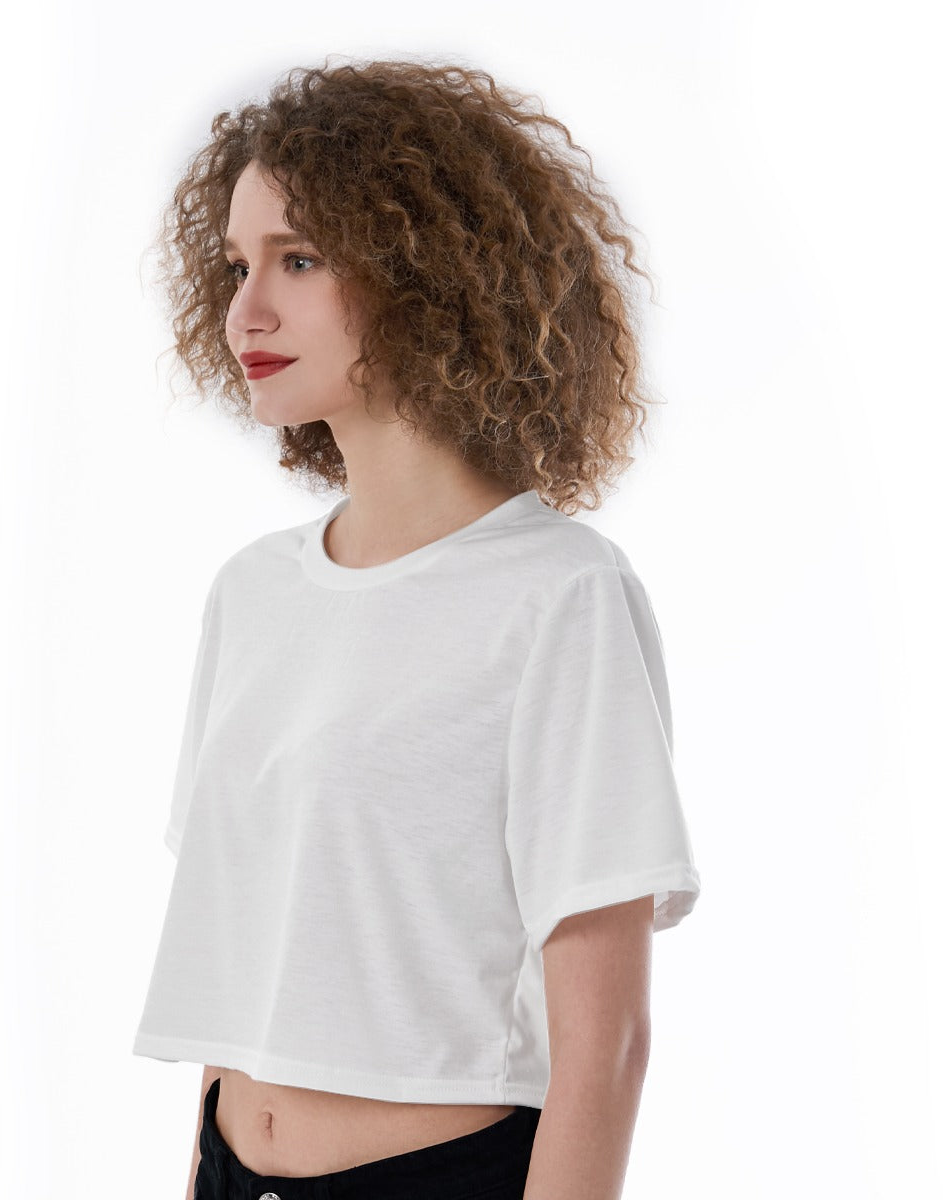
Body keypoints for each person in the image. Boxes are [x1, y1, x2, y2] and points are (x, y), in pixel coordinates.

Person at [132, 56, 702, 1200]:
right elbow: (248, 965)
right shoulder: (253, 594)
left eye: (299, 259)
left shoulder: (559, 596)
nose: (247, 311)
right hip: (232, 1169)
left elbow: (607, 1046)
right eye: (238, 266)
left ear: (424, 273)